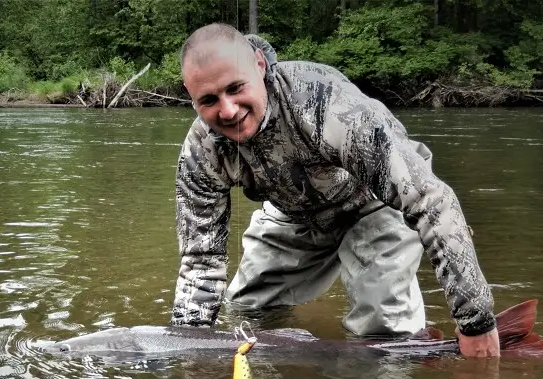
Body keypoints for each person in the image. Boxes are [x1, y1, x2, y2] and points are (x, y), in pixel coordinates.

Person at [170, 23, 500, 358]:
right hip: (292, 212)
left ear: (259, 64)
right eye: (209, 100)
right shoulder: (201, 153)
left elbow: (431, 201)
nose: (227, 110)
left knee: (381, 331)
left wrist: (475, 321)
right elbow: (201, 260)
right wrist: (185, 350)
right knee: (248, 312)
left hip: (373, 204)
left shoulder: (327, 105)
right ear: (190, 95)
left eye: (235, 88)